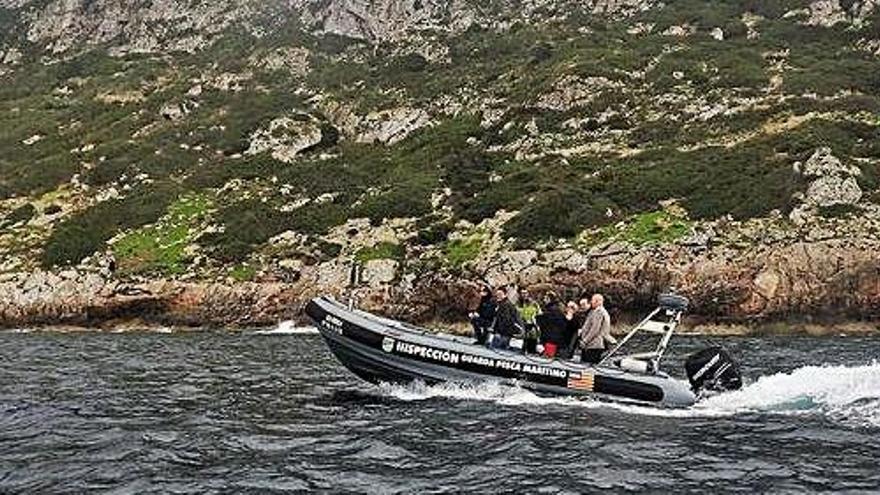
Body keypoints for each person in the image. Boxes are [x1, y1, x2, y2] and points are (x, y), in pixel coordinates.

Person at [577, 294, 612, 364]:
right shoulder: (598, 311)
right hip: (593, 345)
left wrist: (585, 341)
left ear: (598, 301)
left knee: (587, 366)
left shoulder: (599, 312)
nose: (591, 302)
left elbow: (595, 329)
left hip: (593, 345)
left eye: (592, 300)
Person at [517, 287, 541, 354]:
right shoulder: (517, 303)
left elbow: (539, 315)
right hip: (520, 328)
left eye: (525, 293)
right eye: (522, 293)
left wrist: (535, 324)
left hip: (531, 329)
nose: (524, 295)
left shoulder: (534, 304)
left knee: (531, 348)